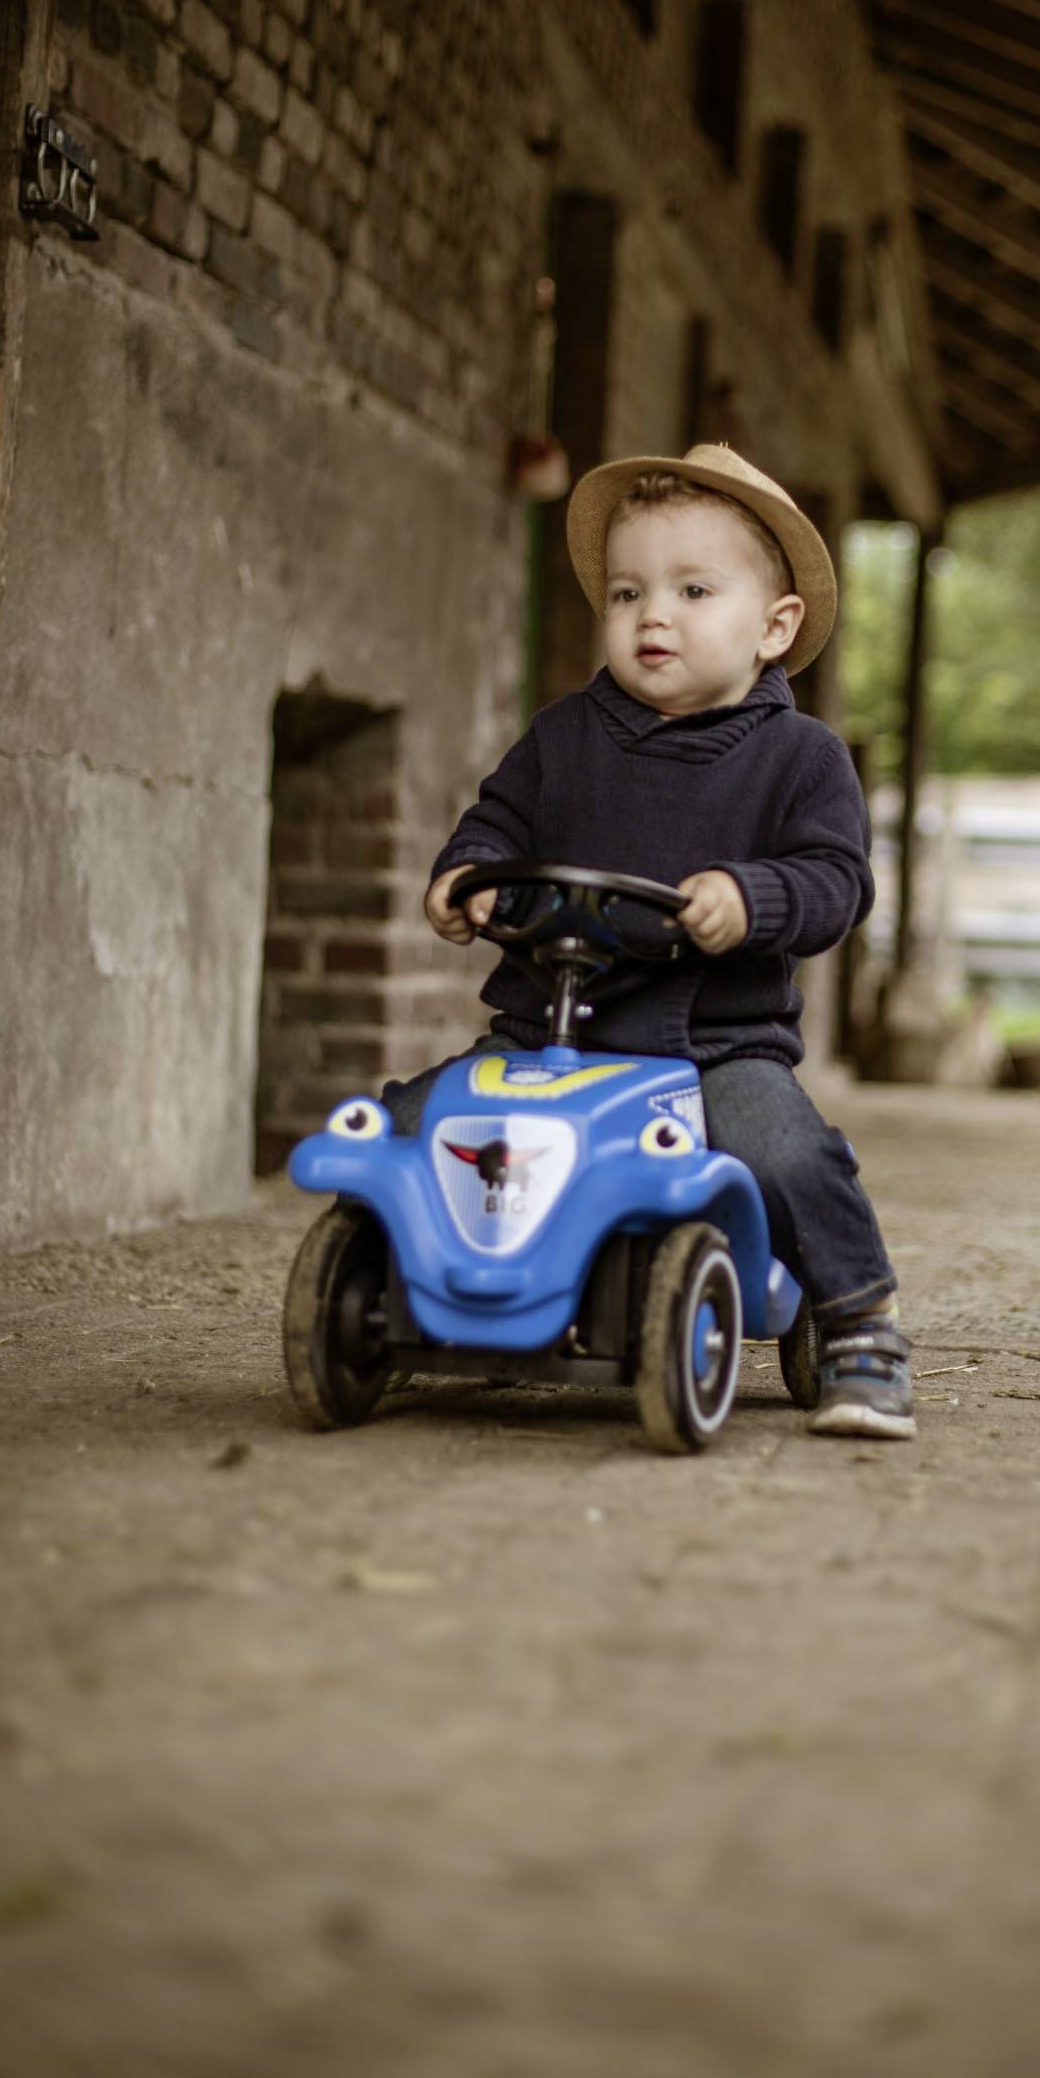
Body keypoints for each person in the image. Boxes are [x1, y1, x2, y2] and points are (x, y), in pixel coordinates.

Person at [387, 443, 912, 1441]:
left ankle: (858, 1324)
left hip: (713, 1045)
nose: (651, 614)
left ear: (774, 624)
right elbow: (499, 820)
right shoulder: (564, 735)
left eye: (692, 588)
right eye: (626, 591)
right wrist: (465, 875)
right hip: (549, 1035)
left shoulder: (801, 759)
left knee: (786, 1153)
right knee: (419, 1120)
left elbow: (837, 882)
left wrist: (751, 897)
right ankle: (415, 1286)